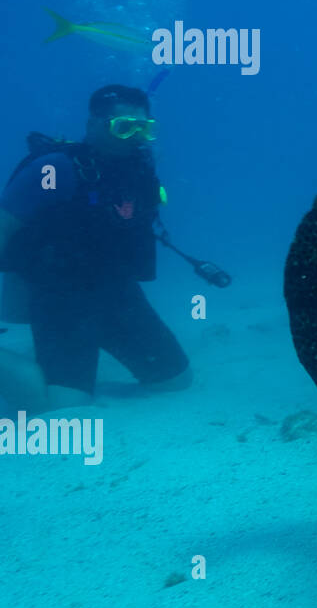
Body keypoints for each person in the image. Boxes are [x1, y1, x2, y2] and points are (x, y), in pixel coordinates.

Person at [0, 85, 191, 412]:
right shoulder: (56, 168)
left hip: (117, 292)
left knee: (174, 381)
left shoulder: (140, 170)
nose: (135, 136)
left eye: (144, 128)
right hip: (60, 298)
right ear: (93, 126)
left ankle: (80, 361)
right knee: (61, 407)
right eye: (123, 126)